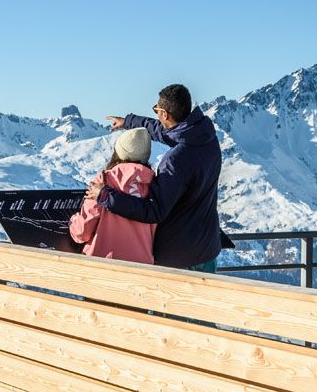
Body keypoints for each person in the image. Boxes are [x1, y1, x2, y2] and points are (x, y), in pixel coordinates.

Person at [86, 84, 222, 271]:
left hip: (180, 258)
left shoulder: (175, 161)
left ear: (165, 114)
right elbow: (166, 132)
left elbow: (153, 211)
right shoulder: (207, 139)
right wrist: (128, 122)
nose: (157, 115)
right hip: (207, 249)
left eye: (156, 110)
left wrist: (104, 195)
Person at [70, 128, 156, 264]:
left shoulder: (104, 181)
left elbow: (82, 232)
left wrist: (73, 221)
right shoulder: (156, 184)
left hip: (103, 263)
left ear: (119, 152)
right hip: (143, 267)